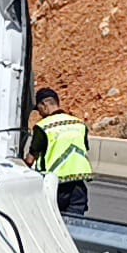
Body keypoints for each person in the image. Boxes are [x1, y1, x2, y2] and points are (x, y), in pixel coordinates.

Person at [24, 87, 93, 217]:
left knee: (50, 226)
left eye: (38, 109)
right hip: (78, 186)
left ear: (44, 105)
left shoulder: (43, 127)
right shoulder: (79, 124)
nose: (39, 114)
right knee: (74, 227)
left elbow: (30, 159)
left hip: (54, 186)